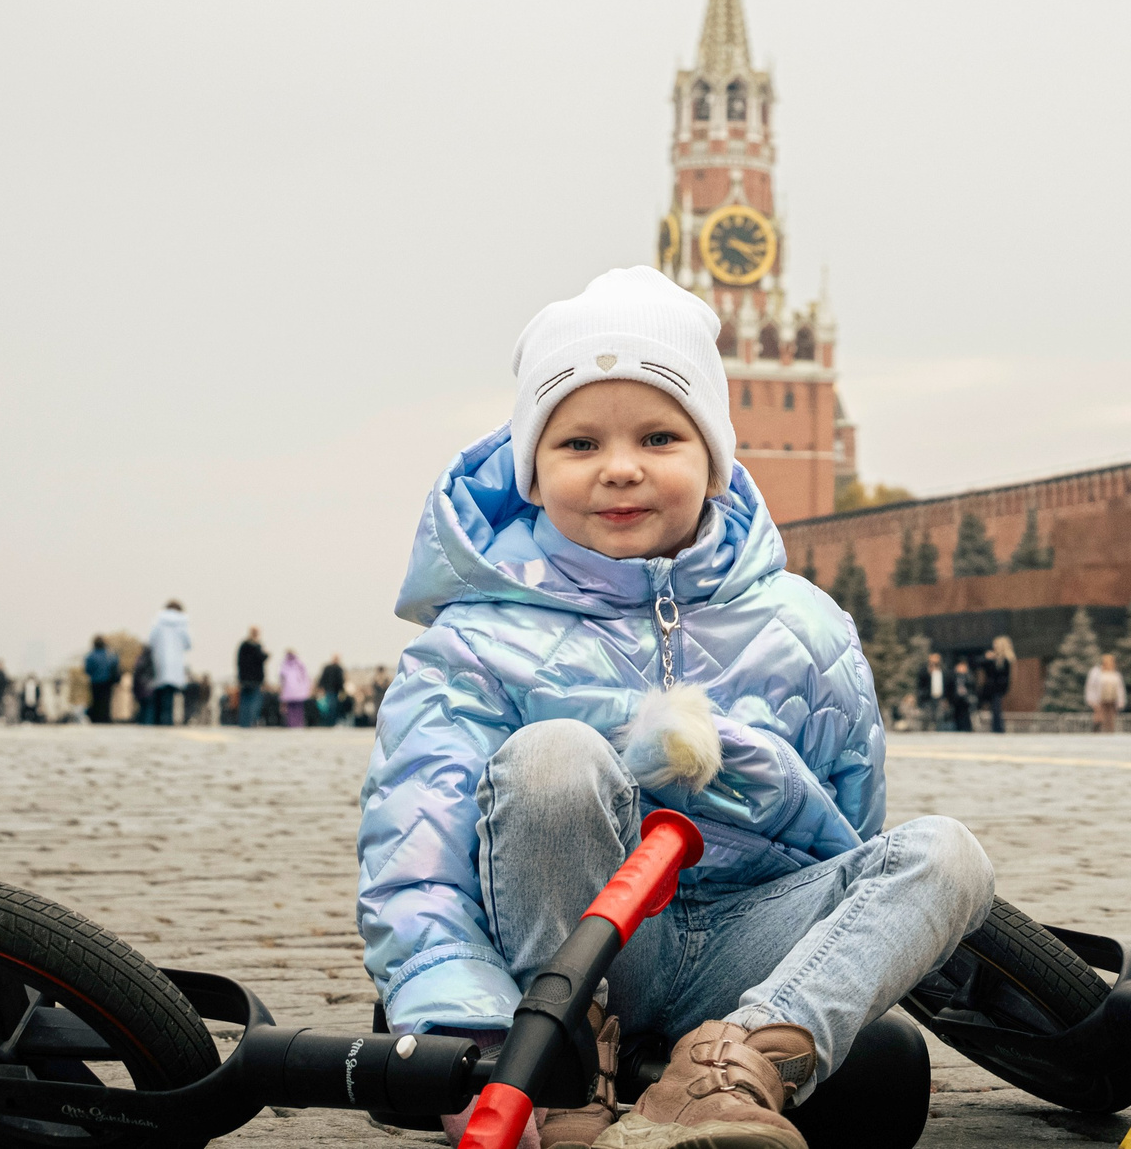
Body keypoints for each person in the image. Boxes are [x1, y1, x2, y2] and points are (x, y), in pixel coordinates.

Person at [360, 267, 994, 1149]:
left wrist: (757, 783)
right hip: (563, 963)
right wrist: (472, 1037)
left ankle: (728, 1072)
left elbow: (851, 840)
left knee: (946, 855)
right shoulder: (471, 641)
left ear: (715, 462)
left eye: (660, 435)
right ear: (531, 474)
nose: (621, 467)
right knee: (556, 756)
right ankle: (569, 1071)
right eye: (578, 443)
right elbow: (415, 866)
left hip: (744, 949)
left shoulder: (807, 627)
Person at [147, 600, 191, 725]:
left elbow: (151, 641)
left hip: (159, 663)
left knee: (159, 696)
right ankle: (167, 722)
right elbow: (188, 644)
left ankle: (158, 722)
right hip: (175, 665)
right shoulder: (183, 623)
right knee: (169, 698)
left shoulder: (158, 622)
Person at [235, 626, 268, 728]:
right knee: (254, 701)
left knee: (245, 702)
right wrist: (265, 655)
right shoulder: (256, 646)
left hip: (244, 678)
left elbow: (239, 662)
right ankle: (251, 722)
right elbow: (260, 658)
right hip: (255, 679)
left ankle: (244, 722)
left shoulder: (243, 646)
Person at [1085, 651, 1125, 734]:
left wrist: (1121, 701)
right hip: (1100, 699)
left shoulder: (1116, 674)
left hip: (1112, 700)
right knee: (1099, 718)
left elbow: (1120, 688)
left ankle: (1109, 734)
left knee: (1110, 719)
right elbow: (1091, 687)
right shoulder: (1096, 672)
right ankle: (1096, 733)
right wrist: (1091, 699)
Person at [83, 636, 120, 724]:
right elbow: (115, 664)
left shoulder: (90, 656)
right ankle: (105, 718)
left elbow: (88, 670)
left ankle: (95, 718)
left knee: (95, 700)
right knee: (106, 701)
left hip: (95, 682)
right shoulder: (109, 655)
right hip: (107, 682)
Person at [980, 637, 1013, 733]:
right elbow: (981, 665)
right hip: (992, 688)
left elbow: (1002, 675)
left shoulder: (1005, 660)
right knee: (994, 709)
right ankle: (996, 728)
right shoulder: (993, 659)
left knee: (996, 708)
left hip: (998, 688)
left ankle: (998, 729)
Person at [278, 648, 311, 728]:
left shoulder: (297, 664)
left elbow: (305, 677)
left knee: (296, 708)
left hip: (295, 690)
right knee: (293, 708)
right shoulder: (285, 665)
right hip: (294, 690)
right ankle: (294, 723)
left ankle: (296, 723)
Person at [945, 653, 977, 734]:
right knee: (956, 715)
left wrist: (966, 674)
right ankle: (957, 729)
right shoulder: (952, 675)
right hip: (956, 698)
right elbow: (949, 687)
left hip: (966, 698)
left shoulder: (969, 675)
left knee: (966, 715)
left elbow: (972, 686)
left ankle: (967, 729)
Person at [916, 650, 946, 731]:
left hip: (939, 696)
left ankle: (937, 730)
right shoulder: (924, 669)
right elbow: (920, 682)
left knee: (938, 717)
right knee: (927, 716)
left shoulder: (942, 670)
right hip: (927, 697)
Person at [317, 653, 347, 726]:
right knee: (331, 707)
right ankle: (330, 723)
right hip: (330, 690)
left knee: (333, 707)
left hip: (335, 691)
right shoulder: (329, 668)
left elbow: (341, 681)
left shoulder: (338, 668)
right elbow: (323, 678)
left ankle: (331, 723)